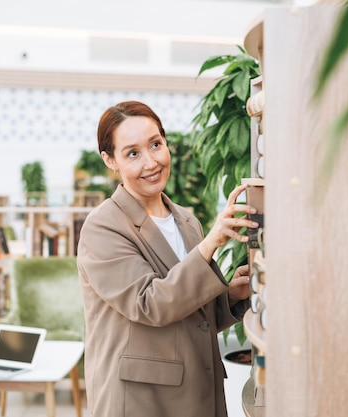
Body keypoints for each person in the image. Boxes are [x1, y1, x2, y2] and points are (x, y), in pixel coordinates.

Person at [77, 100, 258, 417]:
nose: (151, 162)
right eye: (133, 153)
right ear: (110, 161)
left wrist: (230, 297)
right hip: (139, 400)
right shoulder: (102, 227)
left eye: (156, 145)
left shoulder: (187, 221)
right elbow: (149, 303)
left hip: (196, 391)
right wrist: (211, 243)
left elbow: (190, 311)